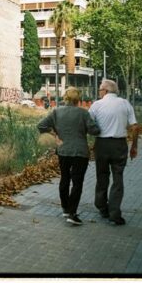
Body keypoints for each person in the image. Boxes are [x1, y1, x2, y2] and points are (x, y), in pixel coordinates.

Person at [37, 86, 100, 226]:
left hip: (63, 151)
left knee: (64, 179)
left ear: (65, 98)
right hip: (80, 152)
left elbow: (41, 126)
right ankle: (72, 213)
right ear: (78, 99)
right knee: (77, 183)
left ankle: (65, 208)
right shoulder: (84, 113)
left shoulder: (57, 112)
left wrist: (55, 135)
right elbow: (94, 130)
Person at [88, 79, 139, 226]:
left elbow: (89, 125)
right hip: (119, 145)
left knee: (102, 176)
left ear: (105, 90)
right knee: (118, 178)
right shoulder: (125, 103)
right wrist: (134, 146)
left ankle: (102, 206)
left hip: (102, 145)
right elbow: (135, 127)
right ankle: (115, 214)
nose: (99, 92)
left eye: (100, 90)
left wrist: (93, 141)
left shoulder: (96, 105)